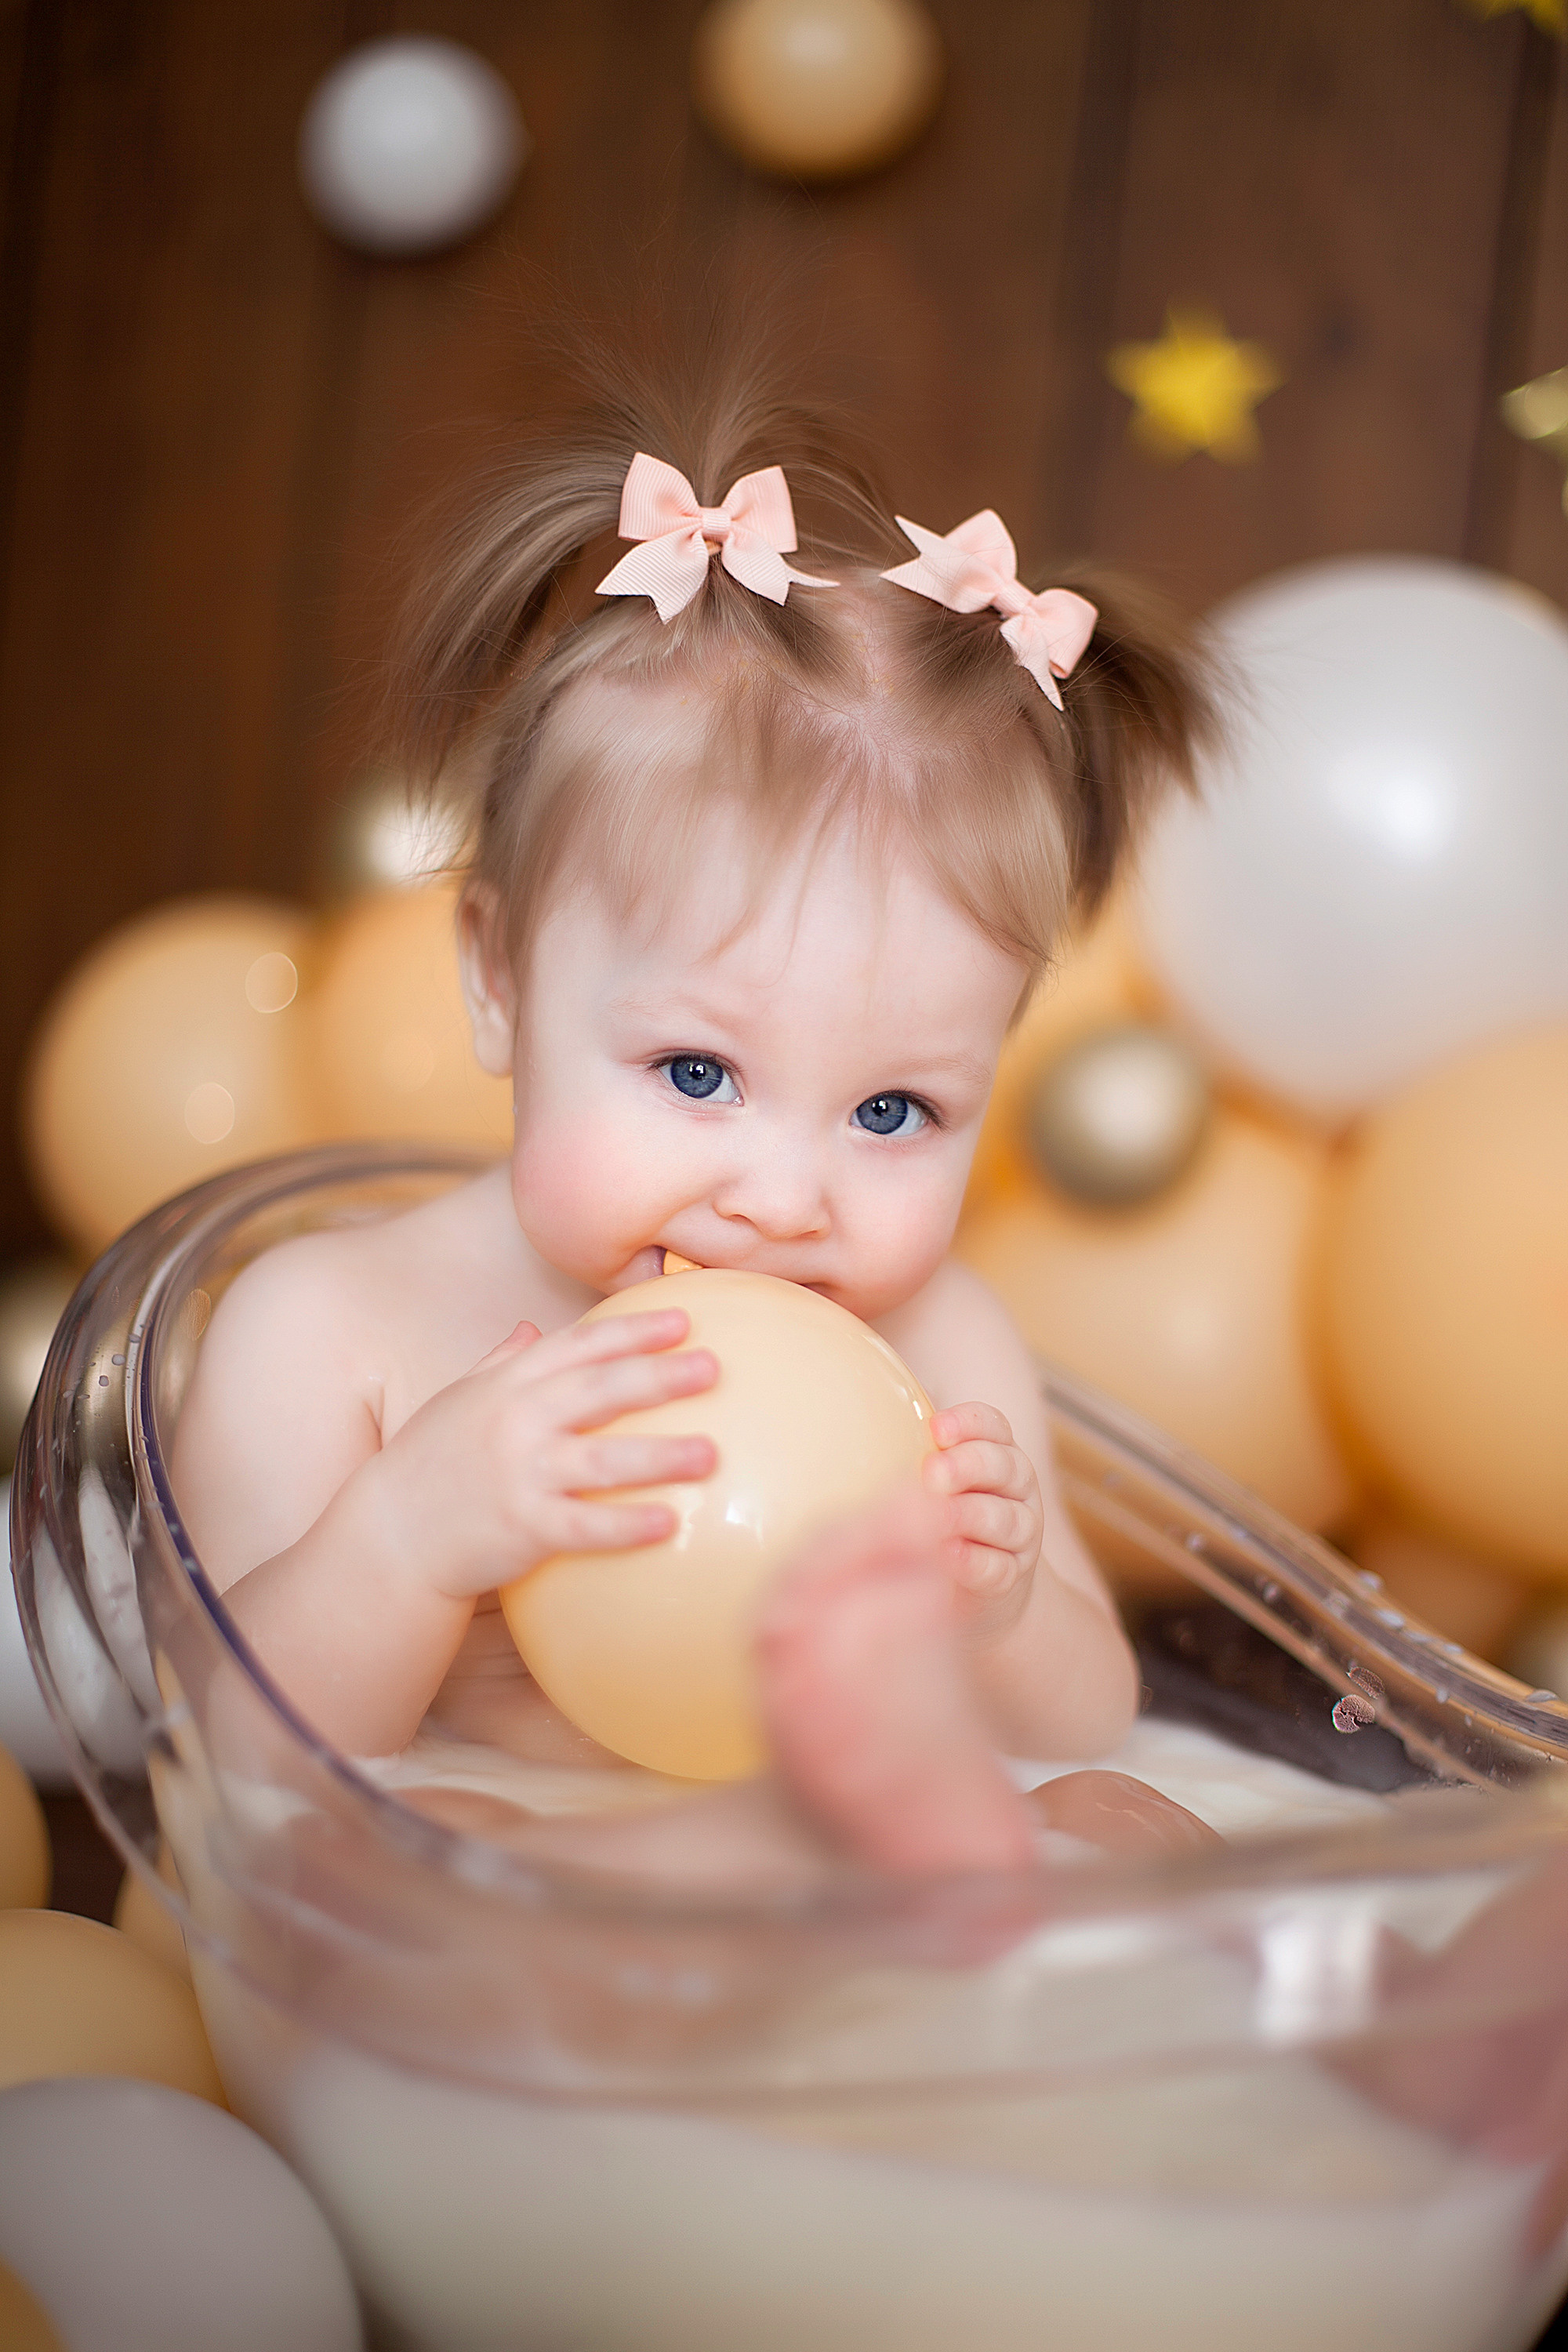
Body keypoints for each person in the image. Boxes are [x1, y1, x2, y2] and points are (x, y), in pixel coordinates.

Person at [172, 370, 1213, 1869]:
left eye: (892, 1107)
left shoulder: (939, 1354)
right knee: (424, 1853)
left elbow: (1088, 1717)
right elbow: (228, 1754)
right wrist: (413, 1536)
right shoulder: (332, 1331)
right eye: (699, 1074)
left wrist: (997, 1606)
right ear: (500, 980)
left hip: (840, 1874)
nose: (786, 1201)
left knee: (1123, 1819)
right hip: (538, 1876)